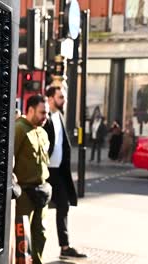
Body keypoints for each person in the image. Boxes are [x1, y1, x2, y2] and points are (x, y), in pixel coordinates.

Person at [43, 87, 87, 260]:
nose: (64, 100)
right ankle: (28, 247)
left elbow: (62, 144)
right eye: (61, 97)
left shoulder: (59, 116)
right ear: (50, 98)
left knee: (63, 206)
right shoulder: (44, 117)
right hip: (45, 172)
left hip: (59, 172)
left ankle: (65, 246)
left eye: (64, 97)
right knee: (38, 209)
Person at [13, 94, 51, 264]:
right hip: (25, 194)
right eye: (42, 113)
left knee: (40, 233)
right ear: (30, 110)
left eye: (47, 113)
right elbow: (9, 160)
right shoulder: (19, 128)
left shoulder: (42, 132)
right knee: (23, 236)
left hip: (41, 192)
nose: (46, 117)